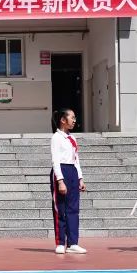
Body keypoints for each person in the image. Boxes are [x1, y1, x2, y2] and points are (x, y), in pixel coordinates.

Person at [50, 108, 87, 254]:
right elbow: (55, 160)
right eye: (72, 117)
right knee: (60, 208)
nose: (74, 120)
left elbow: (76, 159)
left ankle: (73, 243)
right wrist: (60, 181)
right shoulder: (56, 137)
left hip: (72, 171)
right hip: (61, 172)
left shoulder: (72, 138)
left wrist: (80, 178)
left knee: (73, 209)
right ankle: (60, 242)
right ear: (63, 120)